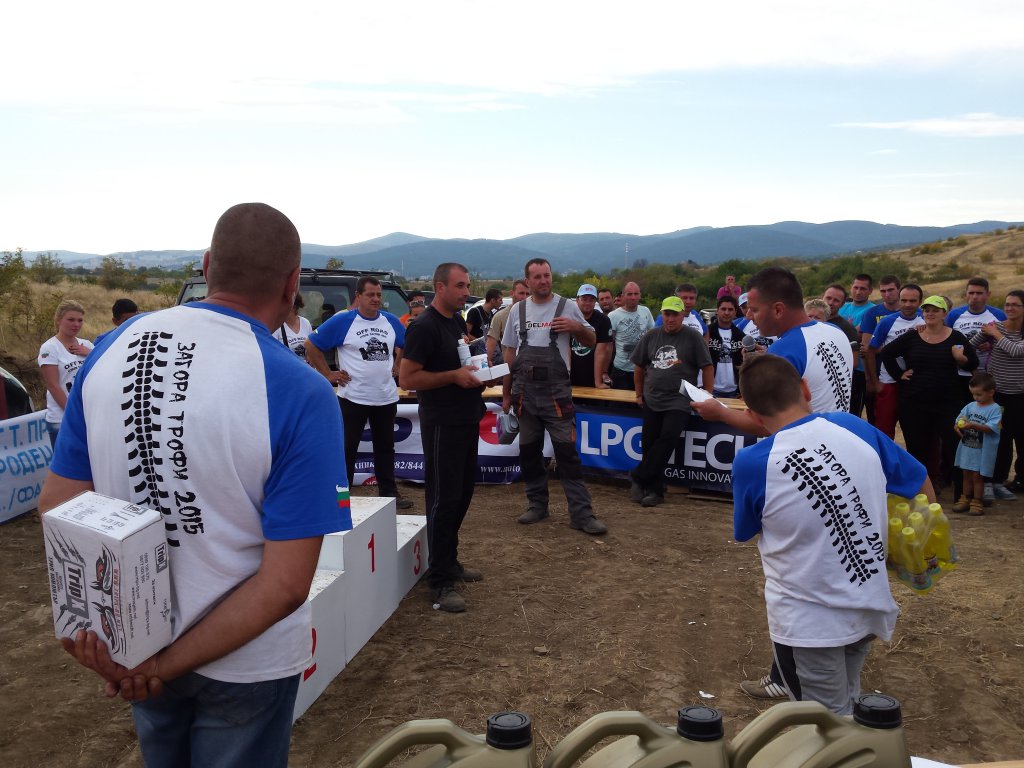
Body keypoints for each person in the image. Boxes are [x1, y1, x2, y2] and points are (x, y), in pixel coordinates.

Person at [39, 202, 350, 767]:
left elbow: (59, 506)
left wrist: (105, 638)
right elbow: (285, 585)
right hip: (244, 664)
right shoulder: (302, 390)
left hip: (135, 645)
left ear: (207, 267)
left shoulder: (111, 348)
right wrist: (160, 665)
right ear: (292, 285)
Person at [731, 354, 933, 715]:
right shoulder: (853, 426)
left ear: (753, 414)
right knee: (848, 708)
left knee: (826, 728)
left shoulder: (754, 462)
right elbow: (919, 482)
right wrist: (921, 545)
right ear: (805, 388)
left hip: (809, 623)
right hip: (868, 604)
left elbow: (745, 530)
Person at [692, 266, 853, 702]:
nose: (750, 317)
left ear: (779, 309)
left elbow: (770, 422)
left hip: (801, 466)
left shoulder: (785, 350)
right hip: (841, 455)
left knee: (789, 580)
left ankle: (789, 678)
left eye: (756, 309)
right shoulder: (834, 334)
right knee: (828, 569)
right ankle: (819, 666)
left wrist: (719, 413)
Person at [399, 263, 486, 612]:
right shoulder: (423, 326)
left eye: (467, 285)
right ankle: (438, 581)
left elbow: (457, 366)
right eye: (460, 286)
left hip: (466, 417)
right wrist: (453, 376)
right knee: (443, 499)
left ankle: (449, 562)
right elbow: (408, 378)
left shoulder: (455, 322)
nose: (467, 292)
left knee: (462, 494)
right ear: (440, 287)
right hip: (442, 424)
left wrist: (479, 374)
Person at [502, 258, 607, 535]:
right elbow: (509, 353)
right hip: (525, 394)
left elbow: (591, 340)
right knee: (529, 453)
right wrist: (506, 393)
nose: (543, 281)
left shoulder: (567, 306)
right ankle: (537, 505)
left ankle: (581, 514)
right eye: (537, 277)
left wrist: (576, 328)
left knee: (567, 454)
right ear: (527, 281)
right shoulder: (518, 310)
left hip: (557, 395)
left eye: (546, 275)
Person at [306, 276, 412, 509]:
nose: (375, 299)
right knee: (346, 449)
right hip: (353, 397)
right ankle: (341, 499)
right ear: (358, 296)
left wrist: (398, 364)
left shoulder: (390, 321)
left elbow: (407, 344)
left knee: (385, 449)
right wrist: (327, 374)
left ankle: (389, 495)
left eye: (379, 295)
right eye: (370, 294)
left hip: (385, 397)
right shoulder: (344, 321)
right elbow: (311, 344)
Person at [881, 295, 978, 492]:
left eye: (935, 310)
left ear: (944, 314)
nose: (930, 313)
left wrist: (960, 359)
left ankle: (961, 494)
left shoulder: (956, 337)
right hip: (914, 402)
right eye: (926, 310)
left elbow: (973, 363)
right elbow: (886, 352)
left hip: (948, 402)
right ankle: (921, 492)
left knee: (954, 446)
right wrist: (899, 374)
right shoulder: (912, 336)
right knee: (917, 449)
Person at [629, 296, 713, 506]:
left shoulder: (693, 337)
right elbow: (639, 366)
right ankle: (654, 491)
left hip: (680, 398)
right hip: (652, 397)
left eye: (675, 314)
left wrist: (707, 395)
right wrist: (638, 394)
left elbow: (707, 366)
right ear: (662, 315)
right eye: (667, 314)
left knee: (668, 438)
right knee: (649, 443)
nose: (670, 318)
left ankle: (638, 476)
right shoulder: (651, 335)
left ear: (683, 315)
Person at [971, 290, 1024, 499]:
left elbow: (1017, 351)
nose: (1009, 308)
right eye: (1007, 304)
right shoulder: (995, 327)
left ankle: (1020, 479)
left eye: (1015, 305)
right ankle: (995, 481)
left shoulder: (997, 330)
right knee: (1000, 439)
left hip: (1020, 394)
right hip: (997, 394)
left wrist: (995, 335)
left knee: (1021, 438)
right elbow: (970, 345)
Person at [865, 285, 924, 438]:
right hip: (889, 382)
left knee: (916, 430)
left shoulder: (925, 319)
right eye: (904, 300)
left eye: (912, 301)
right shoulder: (887, 322)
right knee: (884, 429)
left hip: (916, 382)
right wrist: (875, 382)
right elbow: (870, 351)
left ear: (920, 301)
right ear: (899, 300)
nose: (908, 304)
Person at [38, 299, 93, 447]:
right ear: (58, 320)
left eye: (80, 320)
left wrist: (90, 353)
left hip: (87, 417)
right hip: (61, 419)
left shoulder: (87, 345)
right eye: (71, 320)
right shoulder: (50, 348)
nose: (76, 324)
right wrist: (73, 413)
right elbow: (53, 385)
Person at [952, 372, 1003, 516]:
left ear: (991, 392)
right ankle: (965, 498)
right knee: (966, 474)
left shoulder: (996, 409)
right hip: (967, 448)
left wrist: (972, 425)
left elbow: (992, 428)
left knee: (977, 476)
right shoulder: (970, 406)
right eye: (973, 394)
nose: (975, 397)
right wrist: (957, 425)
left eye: (979, 394)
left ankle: (977, 501)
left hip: (982, 451)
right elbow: (960, 418)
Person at [858, 276, 902, 423]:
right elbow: (866, 348)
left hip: (908, 375)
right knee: (879, 422)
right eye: (883, 291)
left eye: (891, 290)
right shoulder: (872, 313)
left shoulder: (910, 312)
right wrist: (871, 381)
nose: (887, 294)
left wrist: (879, 347)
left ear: (899, 289)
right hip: (880, 376)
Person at [607, 281, 655, 390]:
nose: (633, 297)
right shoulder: (613, 316)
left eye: (636, 294)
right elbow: (608, 345)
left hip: (643, 369)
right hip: (621, 370)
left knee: (642, 399)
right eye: (629, 294)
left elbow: (652, 337)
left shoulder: (646, 311)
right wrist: (605, 371)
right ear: (623, 296)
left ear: (640, 295)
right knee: (619, 400)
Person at [570, 283, 613, 388]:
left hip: (593, 374)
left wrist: (598, 382)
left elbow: (601, 352)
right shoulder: (569, 318)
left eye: (591, 300)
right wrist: (566, 378)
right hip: (570, 374)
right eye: (584, 299)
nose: (588, 303)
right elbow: (566, 349)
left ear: (595, 302)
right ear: (577, 300)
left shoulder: (603, 320)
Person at [707, 295, 744, 398]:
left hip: (735, 392)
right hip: (711, 390)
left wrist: (742, 390)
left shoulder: (741, 336)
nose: (727, 313)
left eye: (730, 309)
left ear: (735, 312)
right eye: (723, 309)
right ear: (717, 311)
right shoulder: (707, 333)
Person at [487, 279, 530, 367]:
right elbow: (491, 341)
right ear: (512, 293)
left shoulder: (535, 314)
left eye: (527, 294)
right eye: (521, 293)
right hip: (511, 366)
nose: (525, 297)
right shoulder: (500, 316)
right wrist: (487, 362)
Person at [274, 292, 313, 360]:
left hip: (306, 366)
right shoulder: (277, 325)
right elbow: (274, 352)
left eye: (283, 304)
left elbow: (312, 345)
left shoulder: (305, 322)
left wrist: (311, 354)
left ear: (293, 307)